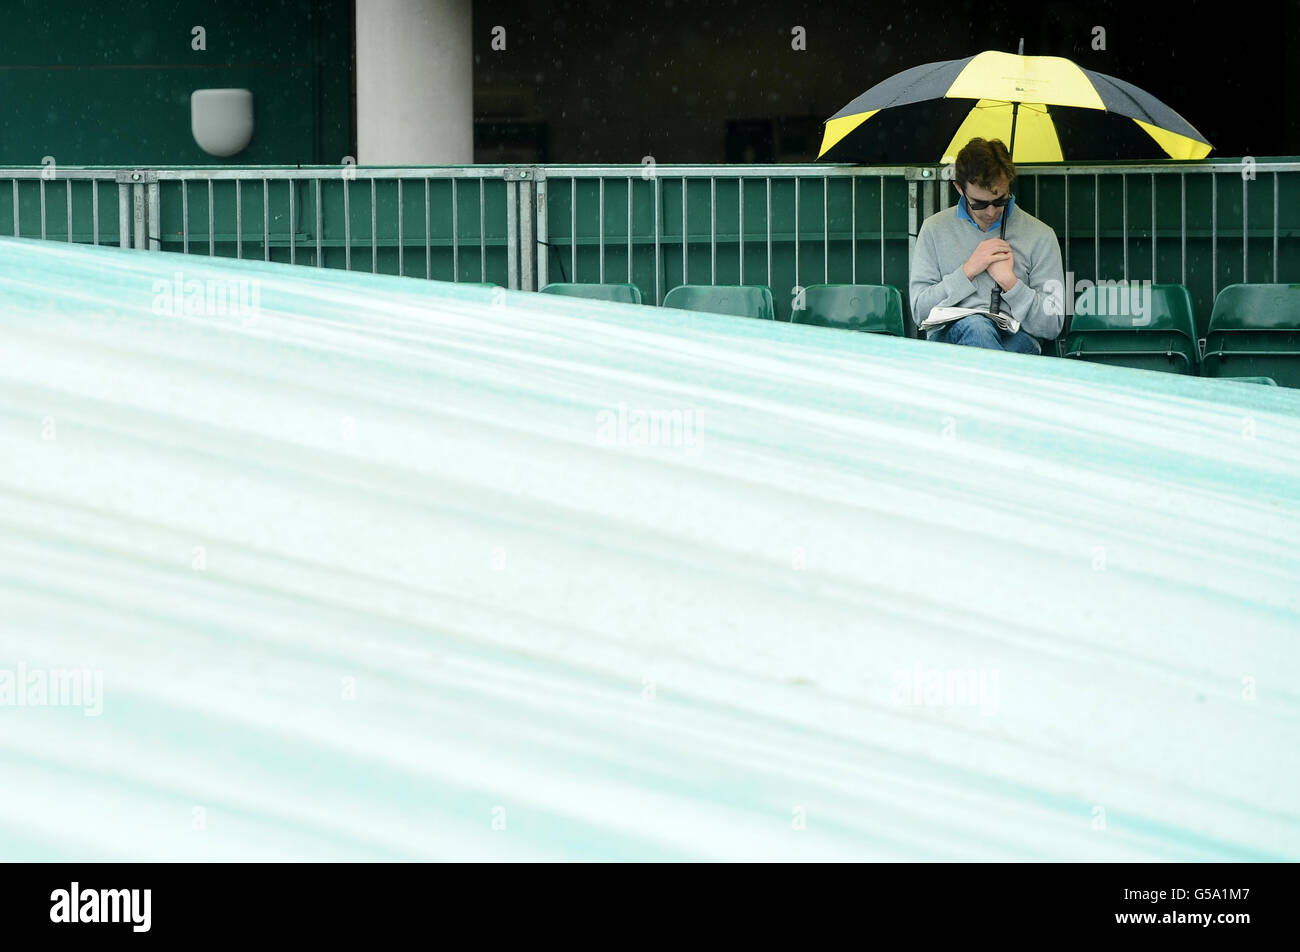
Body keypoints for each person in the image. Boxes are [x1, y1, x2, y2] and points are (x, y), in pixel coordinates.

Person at [909, 137, 1064, 353]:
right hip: (950, 338)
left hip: (1018, 338)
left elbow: (1052, 325)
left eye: (1000, 200)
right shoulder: (934, 229)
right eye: (980, 203)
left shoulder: (1040, 236)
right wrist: (968, 271)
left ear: (1009, 184)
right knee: (976, 327)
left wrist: (1010, 283)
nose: (991, 212)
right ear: (959, 188)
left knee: (984, 335)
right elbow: (920, 312)